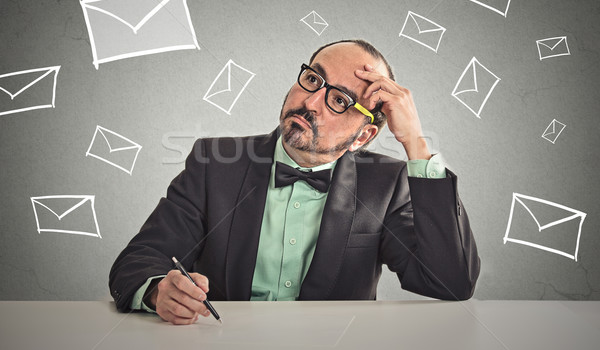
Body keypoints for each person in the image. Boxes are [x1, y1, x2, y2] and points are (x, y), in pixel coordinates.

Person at [109, 39, 480, 325]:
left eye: (339, 100)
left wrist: (415, 143)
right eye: (313, 79)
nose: (312, 101)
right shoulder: (213, 163)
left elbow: (451, 282)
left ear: (363, 136)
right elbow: (138, 261)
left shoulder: (388, 183)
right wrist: (159, 291)